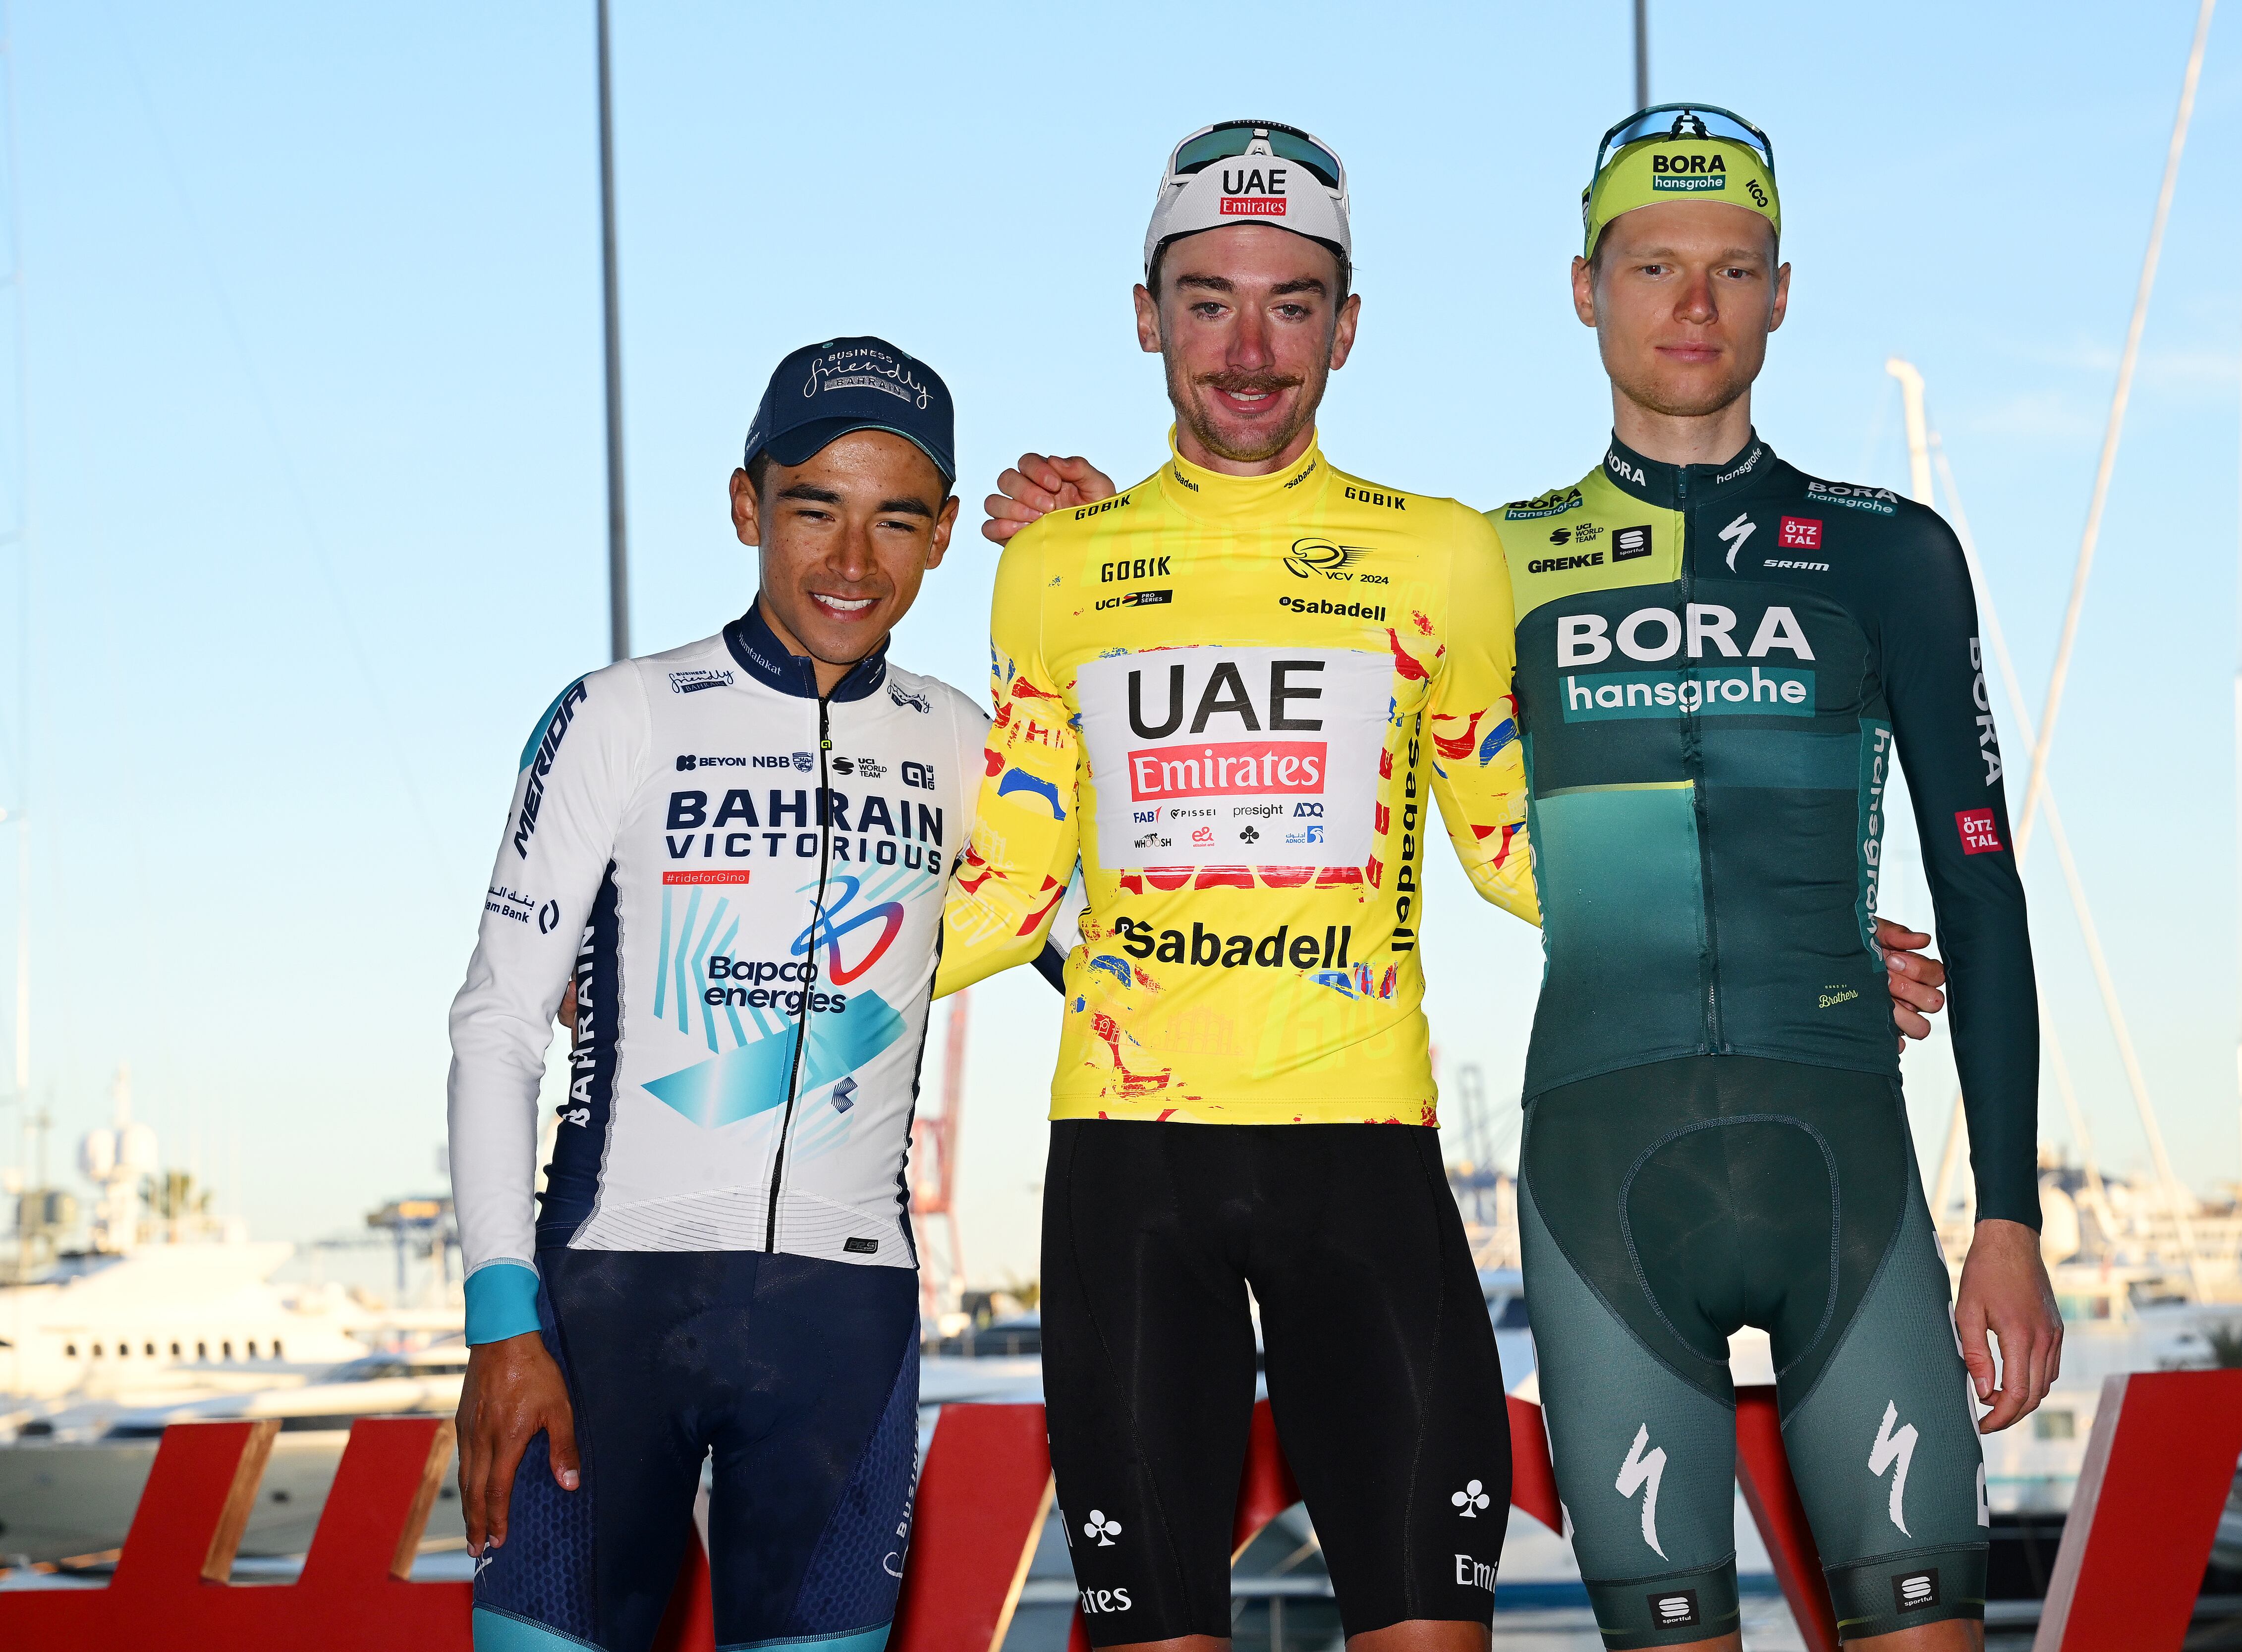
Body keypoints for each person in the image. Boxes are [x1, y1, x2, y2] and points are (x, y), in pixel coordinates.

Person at [945, 122, 1951, 1652]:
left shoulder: (1444, 558)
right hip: (1127, 1171)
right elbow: (1010, 891)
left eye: (1294, 303)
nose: (1250, 345)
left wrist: (1774, 938)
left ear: (1349, 328)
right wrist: (771, 962)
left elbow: (1512, 837)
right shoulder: (1055, 567)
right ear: (1146, 316)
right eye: (1208, 299)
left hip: (1369, 1160)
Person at [1499, 106, 2056, 1650]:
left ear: (1782, 292)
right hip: (1603, 1181)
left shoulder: (1891, 552)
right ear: (1585, 286)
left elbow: (1984, 892)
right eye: (1656, 266)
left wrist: (2005, 1217)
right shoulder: (1492, 564)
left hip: (1845, 1169)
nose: (1695, 305)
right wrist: (1103, 526)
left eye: (1733, 269)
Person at [447, 337, 985, 1652]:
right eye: (814, 507)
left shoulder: (968, 745)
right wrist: (498, 1317)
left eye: (895, 519)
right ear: (748, 506)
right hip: (601, 1309)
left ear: (945, 537)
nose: (852, 561)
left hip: (841, 1318)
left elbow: (1120, 967)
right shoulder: (623, 715)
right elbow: (501, 1020)